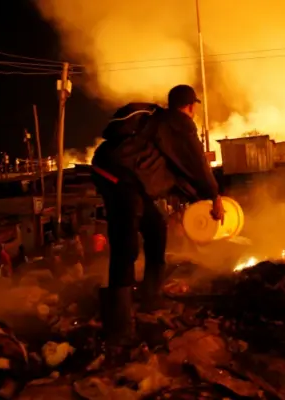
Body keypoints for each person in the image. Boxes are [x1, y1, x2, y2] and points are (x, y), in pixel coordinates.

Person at [92, 84, 224, 339]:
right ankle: (119, 324)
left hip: (128, 178)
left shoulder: (160, 121)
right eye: (195, 106)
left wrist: (201, 198)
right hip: (119, 177)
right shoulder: (178, 124)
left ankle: (150, 297)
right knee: (125, 242)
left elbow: (175, 171)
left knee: (156, 227)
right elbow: (197, 162)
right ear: (190, 106)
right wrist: (214, 195)